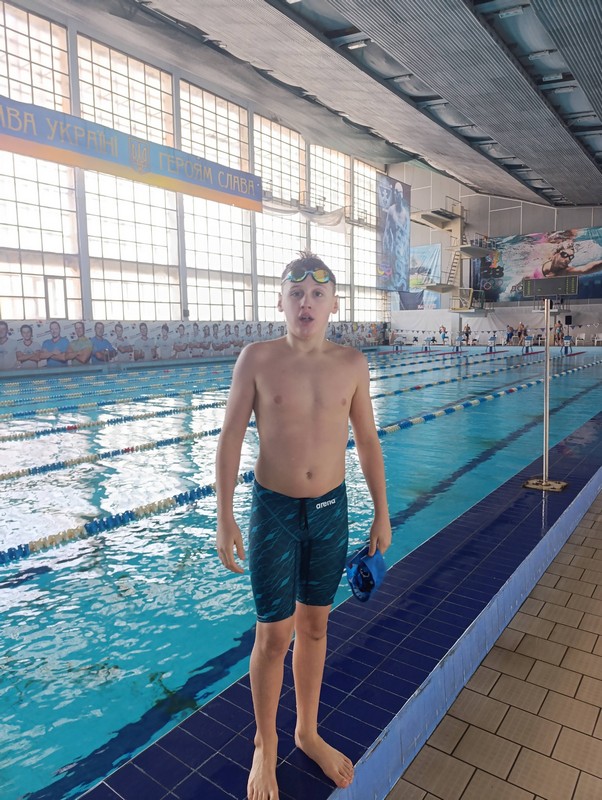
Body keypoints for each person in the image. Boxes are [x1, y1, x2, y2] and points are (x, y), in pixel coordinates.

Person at [215, 251, 391, 800]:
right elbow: (230, 437)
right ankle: (265, 743)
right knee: (273, 635)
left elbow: (367, 441)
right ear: (280, 302)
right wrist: (224, 516)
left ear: (334, 304)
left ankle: (306, 732)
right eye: (296, 294)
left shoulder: (352, 364)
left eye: (317, 294)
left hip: (330, 511)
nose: (306, 303)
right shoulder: (257, 359)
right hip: (274, 512)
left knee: (315, 627)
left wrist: (382, 512)